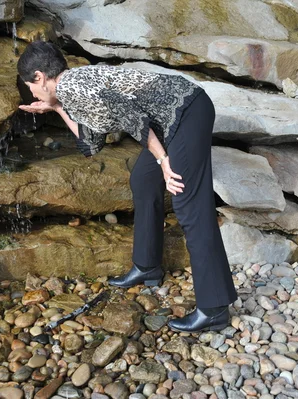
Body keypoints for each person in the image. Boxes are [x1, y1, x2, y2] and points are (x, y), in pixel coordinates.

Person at [17, 41, 237, 333]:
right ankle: (148, 266)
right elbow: (91, 142)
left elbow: (133, 117)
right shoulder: (71, 89)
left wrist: (164, 161)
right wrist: (56, 107)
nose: (31, 92)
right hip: (167, 120)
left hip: (187, 110)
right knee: (143, 180)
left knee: (188, 203)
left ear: (40, 77)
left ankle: (214, 308)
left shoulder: (75, 87)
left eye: (29, 85)